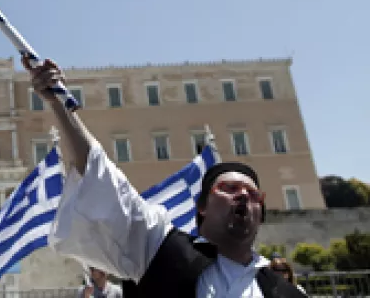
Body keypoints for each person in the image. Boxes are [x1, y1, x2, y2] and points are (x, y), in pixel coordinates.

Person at [25, 58, 307, 297]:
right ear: (202, 206)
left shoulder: (287, 293)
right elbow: (101, 177)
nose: (243, 194)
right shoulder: (160, 250)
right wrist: (59, 105)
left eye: (253, 193)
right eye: (229, 188)